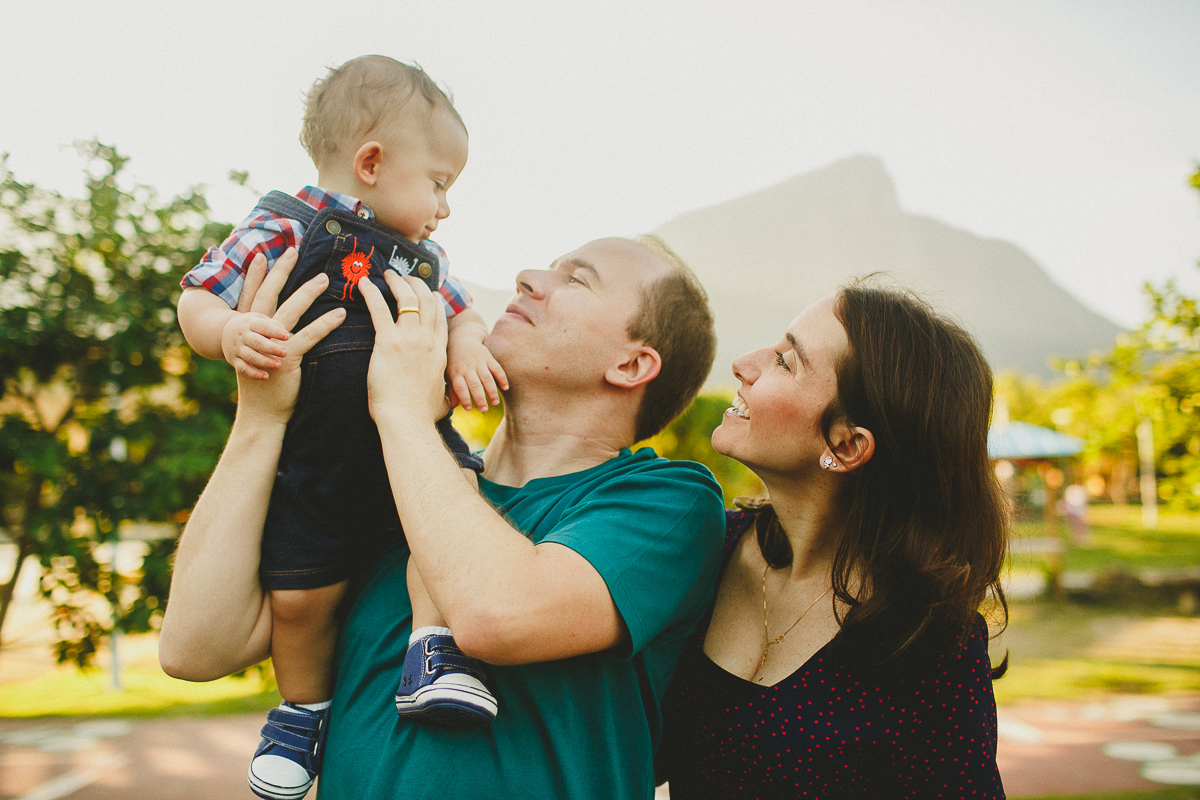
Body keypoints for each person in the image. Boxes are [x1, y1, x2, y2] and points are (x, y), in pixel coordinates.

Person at [159, 235, 727, 799]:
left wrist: (403, 407)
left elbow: (496, 616)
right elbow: (196, 648)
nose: (529, 276)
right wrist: (262, 415)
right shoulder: (399, 483)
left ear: (632, 364)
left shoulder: (668, 501)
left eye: (576, 280)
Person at [174, 55, 509, 799]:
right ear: (370, 162)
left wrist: (467, 345)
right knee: (300, 599)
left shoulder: (426, 261)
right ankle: (301, 713)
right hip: (316, 461)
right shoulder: (280, 229)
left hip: (414, 452)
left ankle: (435, 647)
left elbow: (464, 311)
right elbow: (197, 298)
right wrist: (228, 331)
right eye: (440, 184)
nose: (445, 208)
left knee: (446, 520)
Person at [656, 282, 1009, 798]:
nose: (743, 364)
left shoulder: (931, 649)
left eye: (784, 361)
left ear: (845, 445)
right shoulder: (707, 550)